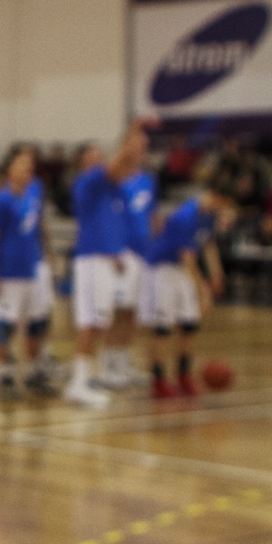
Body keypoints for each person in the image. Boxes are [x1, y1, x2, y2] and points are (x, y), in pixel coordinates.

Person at [66, 118, 154, 407]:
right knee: (90, 323)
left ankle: (84, 379)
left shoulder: (114, 190)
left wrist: (116, 254)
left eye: (99, 153)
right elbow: (122, 162)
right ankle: (78, 384)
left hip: (106, 260)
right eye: (91, 154)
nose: (98, 158)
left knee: (100, 322)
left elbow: (127, 166)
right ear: (83, 162)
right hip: (91, 261)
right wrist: (134, 131)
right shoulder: (88, 183)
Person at [142, 189, 232, 398]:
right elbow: (188, 256)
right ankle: (159, 380)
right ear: (215, 197)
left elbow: (208, 245)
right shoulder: (185, 216)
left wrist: (217, 274)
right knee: (162, 328)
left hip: (181, 270)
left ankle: (183, 376)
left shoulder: (209, 216)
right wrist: (203, 288)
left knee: (189, 324)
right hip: (162, 270)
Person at [0, 148, 52, 399]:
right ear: (10, 169)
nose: (27, 169)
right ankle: (4, 375)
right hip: (9, 273)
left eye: (30, 165)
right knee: (5, 324)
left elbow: (38, 227)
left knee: (36, 323)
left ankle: (34, 372)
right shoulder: (2, 200)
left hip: (31, 269)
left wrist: (46, 255)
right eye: (22, 165)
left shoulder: (34, 193)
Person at [106, 163, 158, 389]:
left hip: (142, 253)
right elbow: (107, 218)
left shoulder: (148, 180)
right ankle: (108, 367)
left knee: (133, 311)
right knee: (118, 310)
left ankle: (123, 363)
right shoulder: (115, 181)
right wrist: (112, 249)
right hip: (122, 252)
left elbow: (152, 215)